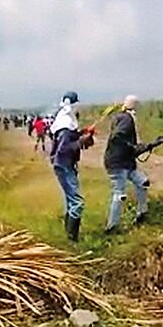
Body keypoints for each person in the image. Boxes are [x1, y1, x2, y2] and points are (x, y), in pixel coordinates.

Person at [103, 95, 163, 234]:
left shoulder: (121, 117)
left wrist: (151, 144)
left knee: (143, 182)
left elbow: (130, 146)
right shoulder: (127, 120)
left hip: (126, 162)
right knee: (119, 194)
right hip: (118, 163)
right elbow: (119, 138)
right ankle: (111, 227)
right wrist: (130, 146)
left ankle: (141, 214)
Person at [49, 92, 95, 242]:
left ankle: (69, 236)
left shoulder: (64, 120)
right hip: (64, 165)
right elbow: (64, 149)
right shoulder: (66, 125)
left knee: (71, 201)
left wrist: (82, 133)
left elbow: (69, 139)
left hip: (63, 164)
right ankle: (72, 239)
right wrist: (82, 140)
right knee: (77, 202)